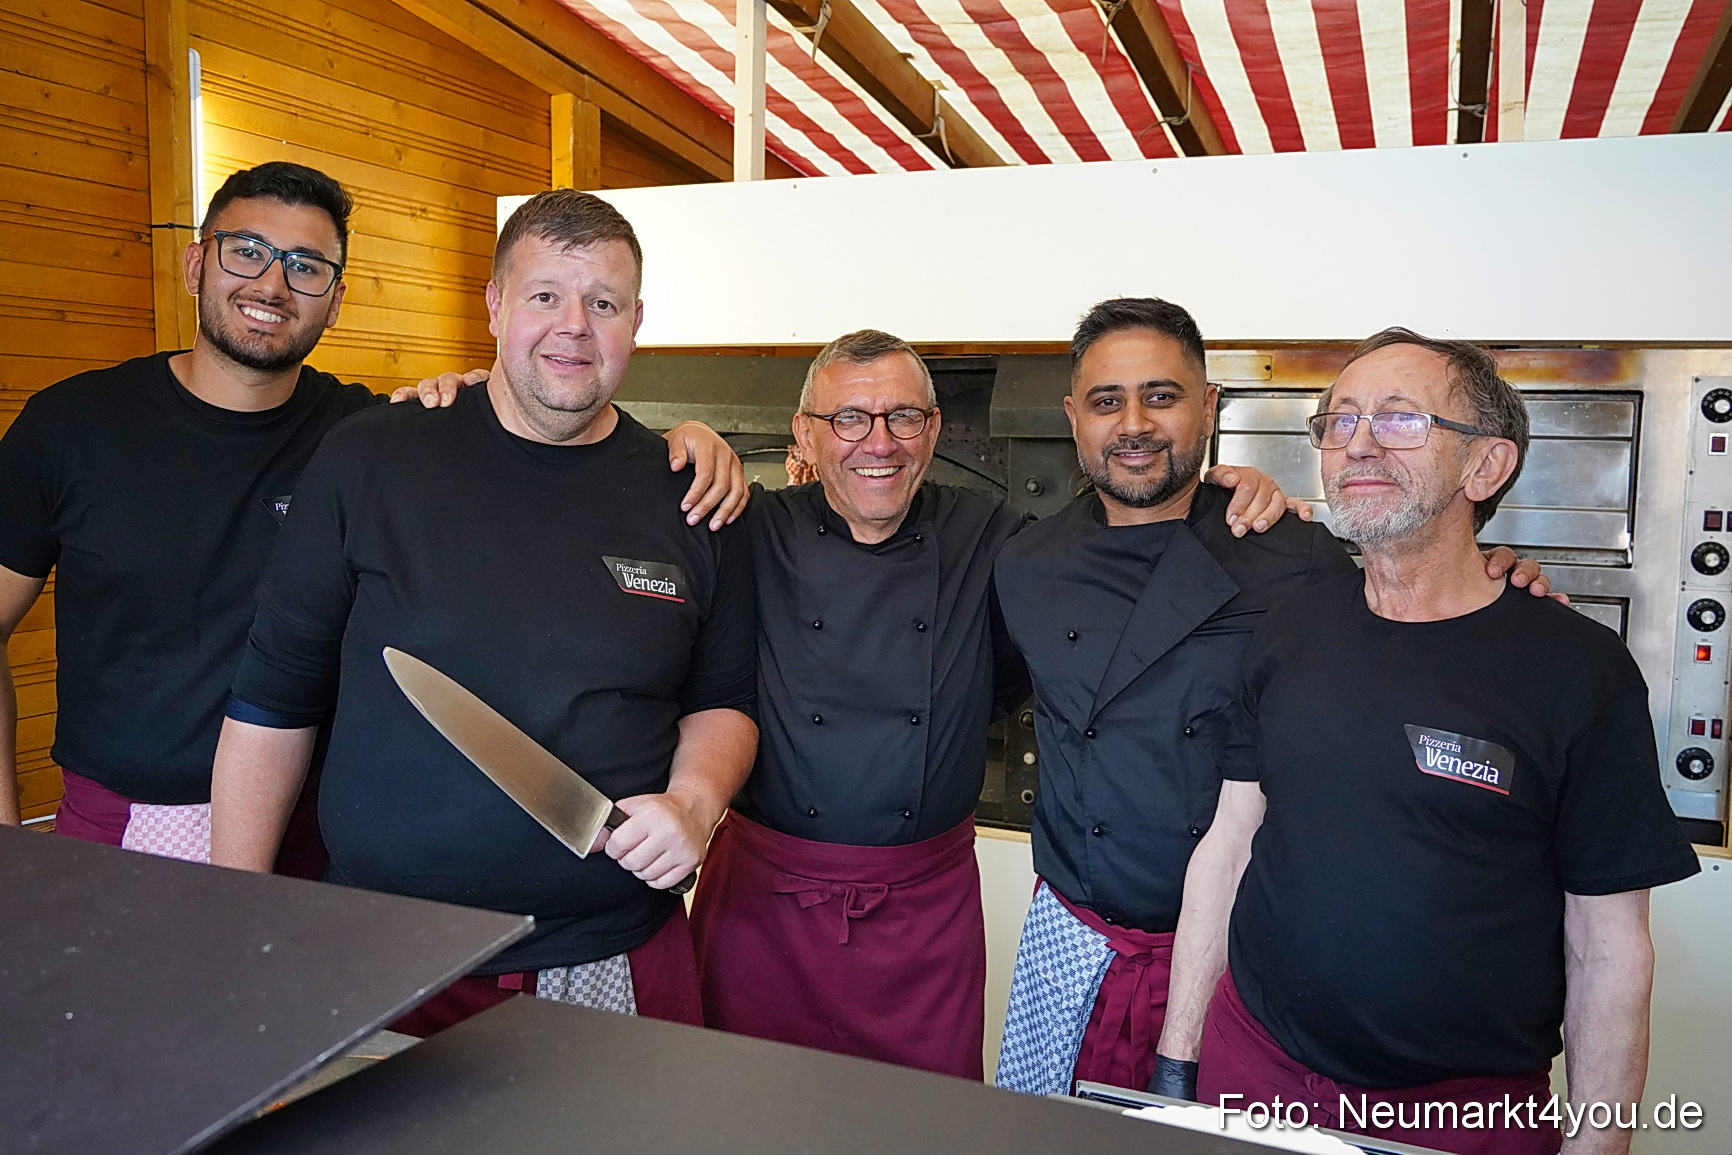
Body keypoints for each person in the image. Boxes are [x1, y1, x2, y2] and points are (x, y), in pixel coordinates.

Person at [416, 329, 1299, 1076]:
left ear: (934, 427)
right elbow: (594, 489)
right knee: (739, 1107)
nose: (879, 442)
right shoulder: (743, 526)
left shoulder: (997, 540)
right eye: (849, 418)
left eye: (903, 417)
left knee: (915, 1123)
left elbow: (1121, 546)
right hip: (766, 906)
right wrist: (519, 412)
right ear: (805, 432)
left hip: (925, 914)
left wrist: (1226, 498)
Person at [0, 163, 744, 862]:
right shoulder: (74, 427)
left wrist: (683, 440)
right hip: (133, 817)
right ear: (196, 262)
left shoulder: (362, 437)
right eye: (246, 251)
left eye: (306, 266)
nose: (272, 282)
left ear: (336, 295)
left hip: (320, 816)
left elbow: (529, 417)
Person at [206, 189, 757, 1034]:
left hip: (610, 953)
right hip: (383, 951)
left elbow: (723, 700)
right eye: (543, 295)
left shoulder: (692, 496)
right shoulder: (370, 458)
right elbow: (272, 705)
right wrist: (239, 916)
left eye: (602, 302)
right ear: (495, 304)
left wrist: (692, 803)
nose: (573, 324)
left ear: (636, 321)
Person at [992, 300, 1553, 1100]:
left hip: (1240, 951)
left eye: (1163, 395)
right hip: (1073, 937)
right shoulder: (1024, 560)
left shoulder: (1297, 555)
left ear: (1209, 405)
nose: (1135, 423)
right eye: (1107, 401)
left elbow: (1422, 611)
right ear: (1073, 418)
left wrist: (1498, 575)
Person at [1170, 329, 1699, 1155]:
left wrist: (1600, 1144)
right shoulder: (1289, 629)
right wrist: (1179, 1058)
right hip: (1256, 1072)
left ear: (1486, 467)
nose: (1359, 443)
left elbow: (1609, 946)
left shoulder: (1578, 669)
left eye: (1400, 419)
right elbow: (1230, 844)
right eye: (1338, 422)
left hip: (1463, 1118)